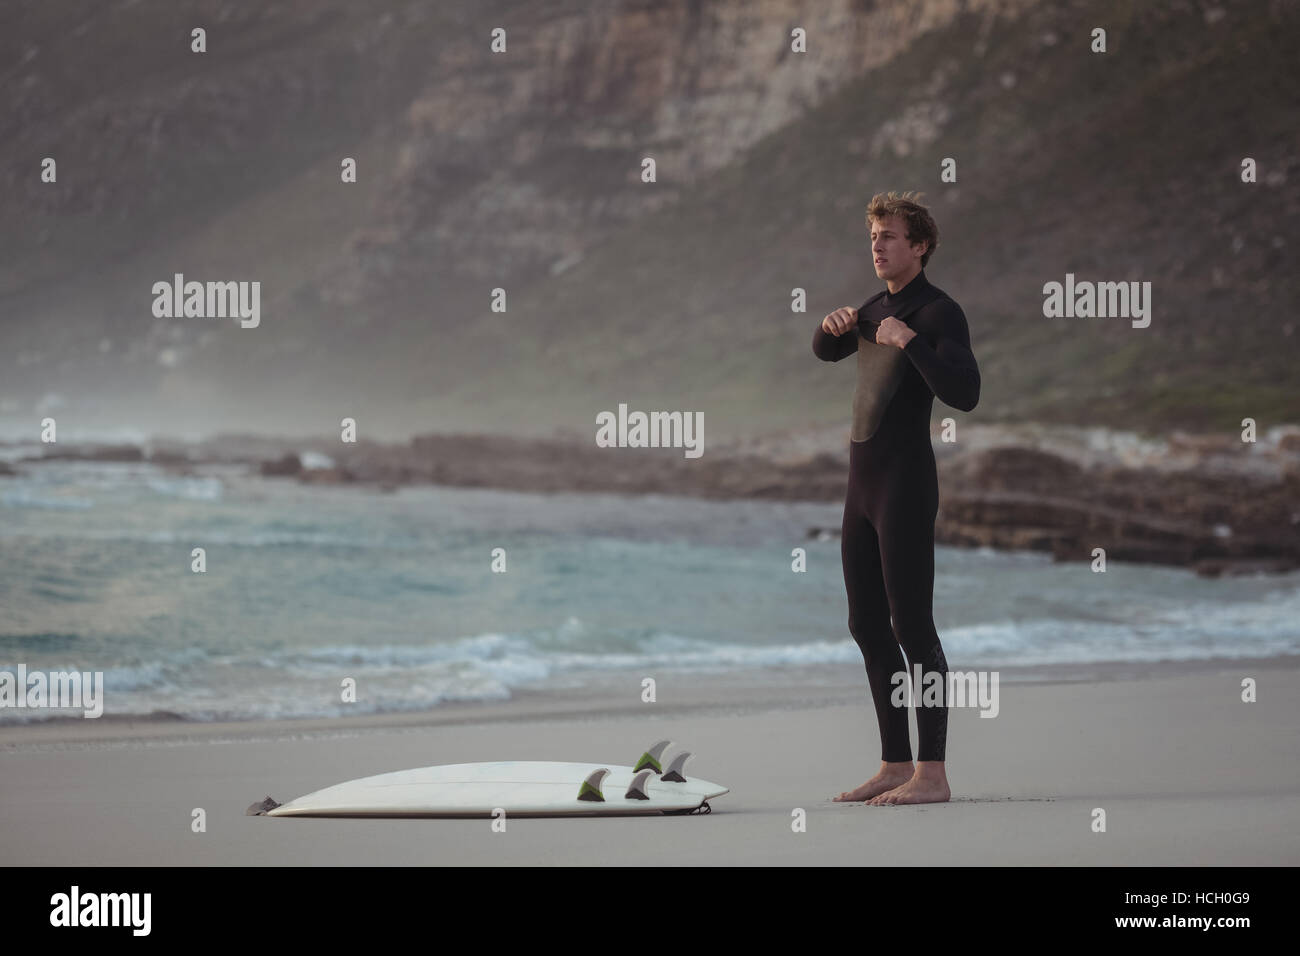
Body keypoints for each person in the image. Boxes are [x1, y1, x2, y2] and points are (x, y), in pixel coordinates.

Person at [813, 191, 980, 805]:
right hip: (861, 488)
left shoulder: (938, 313)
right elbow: (827, 350)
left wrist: (909, 341)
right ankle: (893, 763)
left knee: (913, 625)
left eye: (890, 236)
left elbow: (965, 392)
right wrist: (830, 325)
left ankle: (932, 775)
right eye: (873, 237)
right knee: (865, 624)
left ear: (921, 246)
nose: (878, 246)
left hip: (906, 485)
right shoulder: (873, 307)